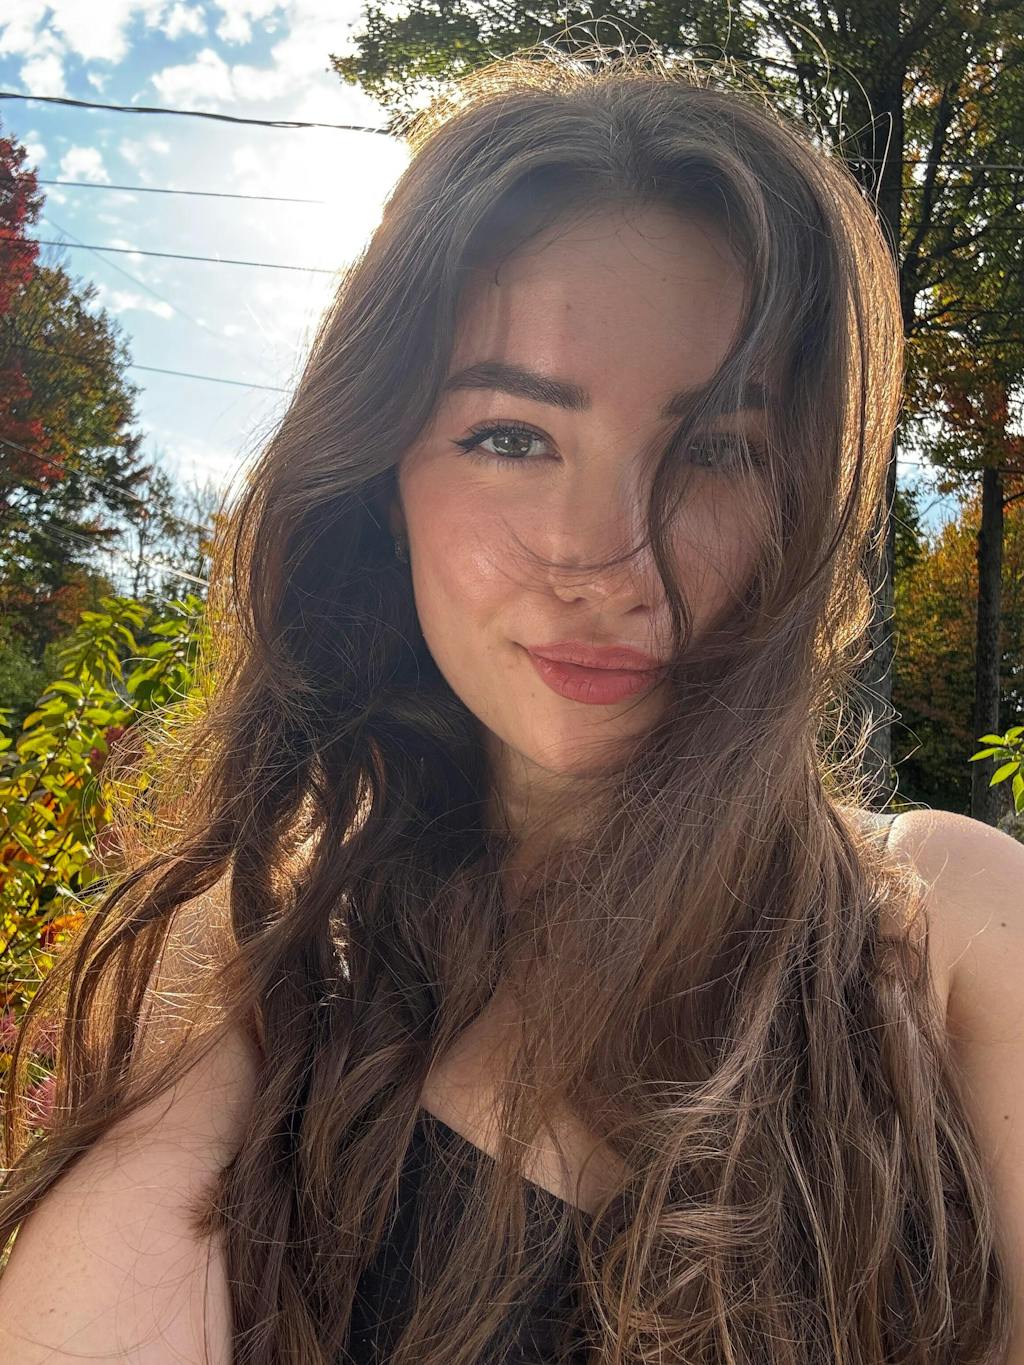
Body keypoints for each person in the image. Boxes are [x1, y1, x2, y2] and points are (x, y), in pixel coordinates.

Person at [1, 40, 1023, 1365]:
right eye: (510, 436)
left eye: (714, 450)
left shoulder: (946, 932)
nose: (608, 557)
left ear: (799, 508)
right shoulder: (273, 968)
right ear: (383, 482)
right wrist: (220, 975)